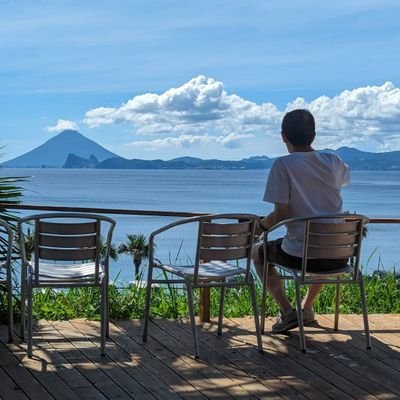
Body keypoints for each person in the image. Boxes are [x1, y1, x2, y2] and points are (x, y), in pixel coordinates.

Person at [252, 108, 350, 333]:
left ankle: (287, 312)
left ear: (283, 136)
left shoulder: (283, 165)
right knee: (319, 246)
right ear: (313, 136)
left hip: (300, 255)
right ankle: (306, 308)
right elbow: (344, 179)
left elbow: (281, 213)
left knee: (257, 253)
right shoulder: (333, 160)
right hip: (339, 255)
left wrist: (260, 227)